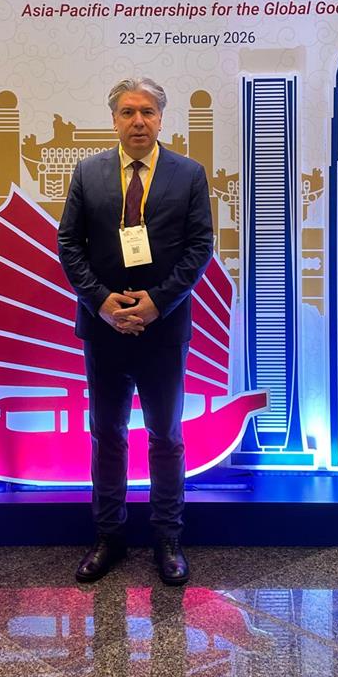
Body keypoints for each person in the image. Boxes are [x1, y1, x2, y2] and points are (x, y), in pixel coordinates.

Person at [58, 77, 213, 584]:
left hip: (163, 329)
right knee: (107, 433)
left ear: (161, 119)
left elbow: (199, 247)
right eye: (128, 112)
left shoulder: (188, 174)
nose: (138, 121)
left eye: (147, 111)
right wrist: (102, 302)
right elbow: (69, 244)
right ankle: (109, 535)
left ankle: (168, 537)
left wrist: (157, 303)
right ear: (114, 120)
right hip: (104, 327)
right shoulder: (88, 172)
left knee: (166, 434)